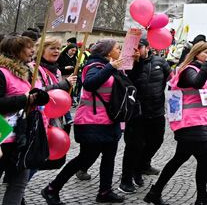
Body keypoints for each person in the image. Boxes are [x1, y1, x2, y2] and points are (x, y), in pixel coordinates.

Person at [42, 39, 127, 204]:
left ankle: (105, 191)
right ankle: (52, 188)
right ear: (108, 52)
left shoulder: (114, 67)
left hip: (110, 120)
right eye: (118, 48)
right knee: (84, 158)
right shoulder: (94, 66)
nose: (120, 50)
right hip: (92, 122)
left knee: (109, 157)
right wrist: (111, 67)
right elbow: (89, 84)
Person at [144, 41, 207, 205]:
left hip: (198, 124)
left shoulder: (201, 70)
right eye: (205, 52)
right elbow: (196, 83)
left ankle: (155, 193)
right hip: (190, 124)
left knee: (180, 158)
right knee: (203, 156)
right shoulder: (188, 71)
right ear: (196, 54)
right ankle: (201, 199)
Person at [0, 36, 50, 205]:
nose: (33, 51)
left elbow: (27, 98)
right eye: (28, 47)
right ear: (15, 50)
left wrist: (38, 97)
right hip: (3, 137)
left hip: (21, 137)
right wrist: (24, 99)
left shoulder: (26, 72)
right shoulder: (2, 72)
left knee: (19, 183)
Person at [119, 39, 172, 194]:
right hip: (137, 113)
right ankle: (126, 179)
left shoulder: (160, 62)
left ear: (147, 48)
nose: (136, 50)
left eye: (140, 47)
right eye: (134, 48)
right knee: (133, 146)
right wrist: (136, 62)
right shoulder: (128, 64)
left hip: (156, 111)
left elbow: (173, 80)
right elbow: (128, 80)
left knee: (156, 141)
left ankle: (140, 166)